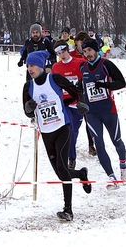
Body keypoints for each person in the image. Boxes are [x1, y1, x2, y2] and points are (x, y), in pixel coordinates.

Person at [22, 50, 92, 221]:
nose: (30, 68)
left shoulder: (54, 78)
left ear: (40, 65)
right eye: (28, 66)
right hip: (46, 132)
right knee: (60, 172)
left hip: (62, 127)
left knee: (62, 166)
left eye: (32, 65)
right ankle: (81, 174)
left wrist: (81, 102)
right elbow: (26, 111)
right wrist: (29, 108)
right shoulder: (28, 86)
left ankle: (68, 210)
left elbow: (75, 90)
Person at [79, 39, 126, 189]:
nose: (87, 54)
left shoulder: (106, 65)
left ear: (95, 50)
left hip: (108, 111)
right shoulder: (83, 67)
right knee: (99, 144)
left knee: (116, 141)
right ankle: (111, 177)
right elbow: (80, 87)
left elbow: (122, 83)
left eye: (90, 51)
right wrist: (80, 102)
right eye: (85, 51)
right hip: (92, 113)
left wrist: (105, 85)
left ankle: (123, 166)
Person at [51, 40, 86, 170]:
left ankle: (71, 155)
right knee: (67, 131)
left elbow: (87, 80)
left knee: (74, 132)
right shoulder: (56, 67)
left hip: (77, 104)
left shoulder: (79, 63)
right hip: (64, 104)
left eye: (63, 52)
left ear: (67, 50)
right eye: (59, 53)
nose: (62, 55)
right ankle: (70, 158)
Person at [73, 31, 97, 156]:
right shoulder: (75, 55)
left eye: (79, 44)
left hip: (90, 91)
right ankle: (71, 143)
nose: (79, 48)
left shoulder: (90, 55)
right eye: (77, 45)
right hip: (77, 90)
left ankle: (91, 144)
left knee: (90, 119)